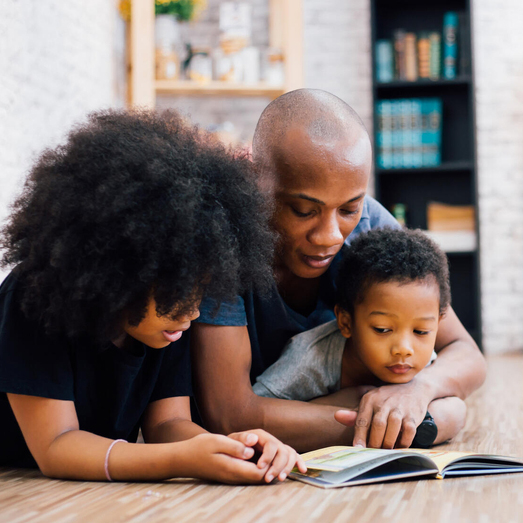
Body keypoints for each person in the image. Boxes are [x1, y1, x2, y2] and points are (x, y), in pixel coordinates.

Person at [0, 109, 306, 483]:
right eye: (181, 288)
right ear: (121, 268)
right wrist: (181, 460)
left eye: (201, 288)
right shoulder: (34, 297)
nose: (192, 310)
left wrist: (234, 449)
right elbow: (57, 446)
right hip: (5, 486)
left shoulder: (166, 322)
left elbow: (168, 424)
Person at [191, 89, 486, 451]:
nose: (329, 236)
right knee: (449, 414)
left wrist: (419, 389)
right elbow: (229, 414)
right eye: (303, 210)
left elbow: (464, 350)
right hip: (267, 424)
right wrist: (385, 421)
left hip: (300, 423)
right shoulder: (223, 244)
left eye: (348, 209)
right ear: (257, 182)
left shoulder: (371, 224)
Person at [253, 228, 466, 448]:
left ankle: (402, 431)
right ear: (346, 323)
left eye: (421, 331)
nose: (404, 349)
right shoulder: (308, 358)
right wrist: (347, 401)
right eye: (382, 329)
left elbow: (457, 410)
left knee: (455, 410)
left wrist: (415, 394)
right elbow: (254, 410)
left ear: (438, 323)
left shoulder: (424, 362)